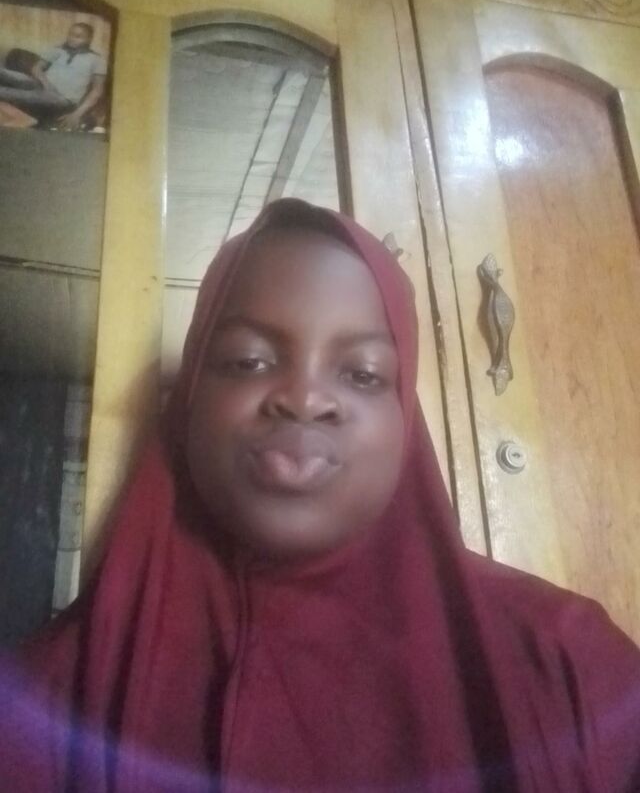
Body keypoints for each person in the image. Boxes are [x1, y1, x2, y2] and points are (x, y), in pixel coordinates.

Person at [1, 198, 639, 791]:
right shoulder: (37, 706)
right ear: (189, 400)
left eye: (362, 373)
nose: (305, 398)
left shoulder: (571, 666)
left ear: (405, 425)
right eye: (249, 361)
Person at [0, 22, 107, 130]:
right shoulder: (58, 50)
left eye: (78, 36)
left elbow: (97, 90)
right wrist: (47, 84)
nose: (72, 38)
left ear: (89, 39)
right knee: (6, 73)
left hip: (61, 98)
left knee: (6, 93)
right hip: (40, 84)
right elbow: (36, 68)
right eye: (70, 34)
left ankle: (23, 118)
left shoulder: (97, 60)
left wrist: (76, 114)